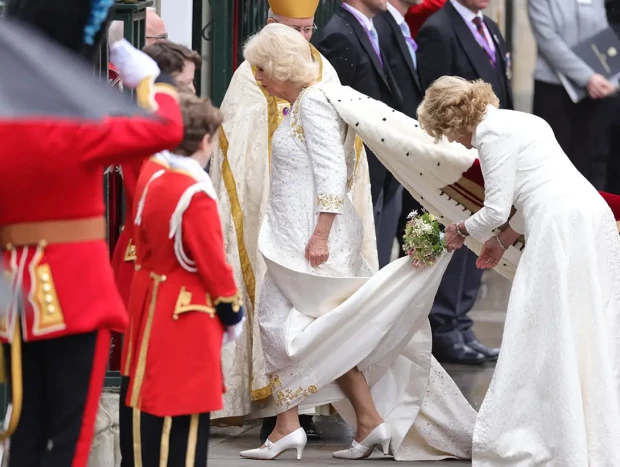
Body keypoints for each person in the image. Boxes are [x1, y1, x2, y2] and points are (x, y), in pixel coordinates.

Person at [239, 23, 475, 462]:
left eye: (260, 69)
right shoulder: (306, 102)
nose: (257, 78)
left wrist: (320, 235)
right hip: (295, 238)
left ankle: (300, 427)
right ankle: (345, 423)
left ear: (278, 67)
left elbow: (332, 171)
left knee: (296, 328)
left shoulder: (313, 103)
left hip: (312, 242)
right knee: (317, 330)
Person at [0, 2, 184, 466]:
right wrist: (150, 83)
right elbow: (166, 126)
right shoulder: (74, 123)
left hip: (13, 298)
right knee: (70, 438)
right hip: (74, 292)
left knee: (24, 430)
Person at [417, 76, 620, 466]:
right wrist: (504, 239)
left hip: (559, 226)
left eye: (449, 133)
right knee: (584, 318)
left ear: (456, 119)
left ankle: (548, 430)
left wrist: (458, 231)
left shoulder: (491, 136)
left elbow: (495, 208)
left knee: (541, 321)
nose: (457, 142)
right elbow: (539, 185)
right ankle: (589, 426)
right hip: (589, 215)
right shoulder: (524, 120)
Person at [209, 0, 366, 441]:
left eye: (307, 29)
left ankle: (312, 419)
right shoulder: (250, 75)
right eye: (292, 29)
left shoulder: (318, 81)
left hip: (307, 228)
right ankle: (286, 420)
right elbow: (239, 145)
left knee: (306, 325)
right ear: (272, 25)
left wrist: (321, 231)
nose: (302, 39)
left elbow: (335, 159)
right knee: (286, 325)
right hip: (267, 213)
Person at [124, 93, 245, 467]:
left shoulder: (155, 175)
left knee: (147, 412)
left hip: (151, 301)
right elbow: (213, 265)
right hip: (185, 314)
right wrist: (232, 312)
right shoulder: (194, 193)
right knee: (185, 431)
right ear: (205, 141)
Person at [110, 39, 200, 467]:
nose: (191, 96)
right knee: (146, 380)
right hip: (151, 263)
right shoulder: (152, 128)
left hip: (162, 261)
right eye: (183, 85)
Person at [415, 0, 508, 364]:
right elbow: (436, 103)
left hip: (489, 151)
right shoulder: (439, 29)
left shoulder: (492, 29)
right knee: (460, 235)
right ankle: (446, 327)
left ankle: (462, 324)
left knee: (480, 241)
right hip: (457, 158)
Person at [313, 0, 404, 268]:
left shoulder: (369, 29)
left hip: (380, 167)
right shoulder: (339, 34)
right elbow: (332, 112)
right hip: (358, 172)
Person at [528, 0, 616, 190]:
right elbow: (548, 41)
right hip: (553, 90)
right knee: (551, 167)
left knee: (585, 166)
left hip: (590, 92)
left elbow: (602, 36)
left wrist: (613, 80)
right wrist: (587, 77)